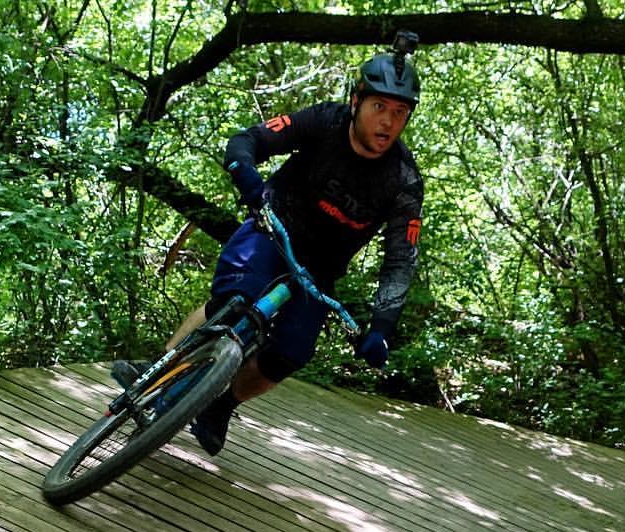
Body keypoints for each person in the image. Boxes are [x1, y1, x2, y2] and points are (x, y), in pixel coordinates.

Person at [115, 34, 424, 456]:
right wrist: (246, 175)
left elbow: (400, 261)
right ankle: (159, 369)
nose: (387, 122)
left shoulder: (403, 181)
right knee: (235, 298)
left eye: (399, 112)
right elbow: (249, 140)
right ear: (357, 102)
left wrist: (381, 329)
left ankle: (221, 406)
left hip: (318, 273)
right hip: (272, 226)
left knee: (289, 354)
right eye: (379, 108)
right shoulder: (325, 121)